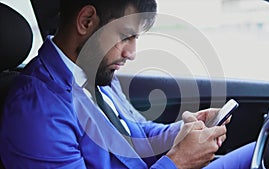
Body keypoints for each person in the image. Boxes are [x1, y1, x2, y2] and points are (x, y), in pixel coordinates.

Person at [0, 0, 255, 168]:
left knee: (265, 151)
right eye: (125, 36)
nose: (132, 53)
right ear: (87, 21)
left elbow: (136, 133)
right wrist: (177, 162)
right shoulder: (37, 115)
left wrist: (181, 133)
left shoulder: (95, 72)